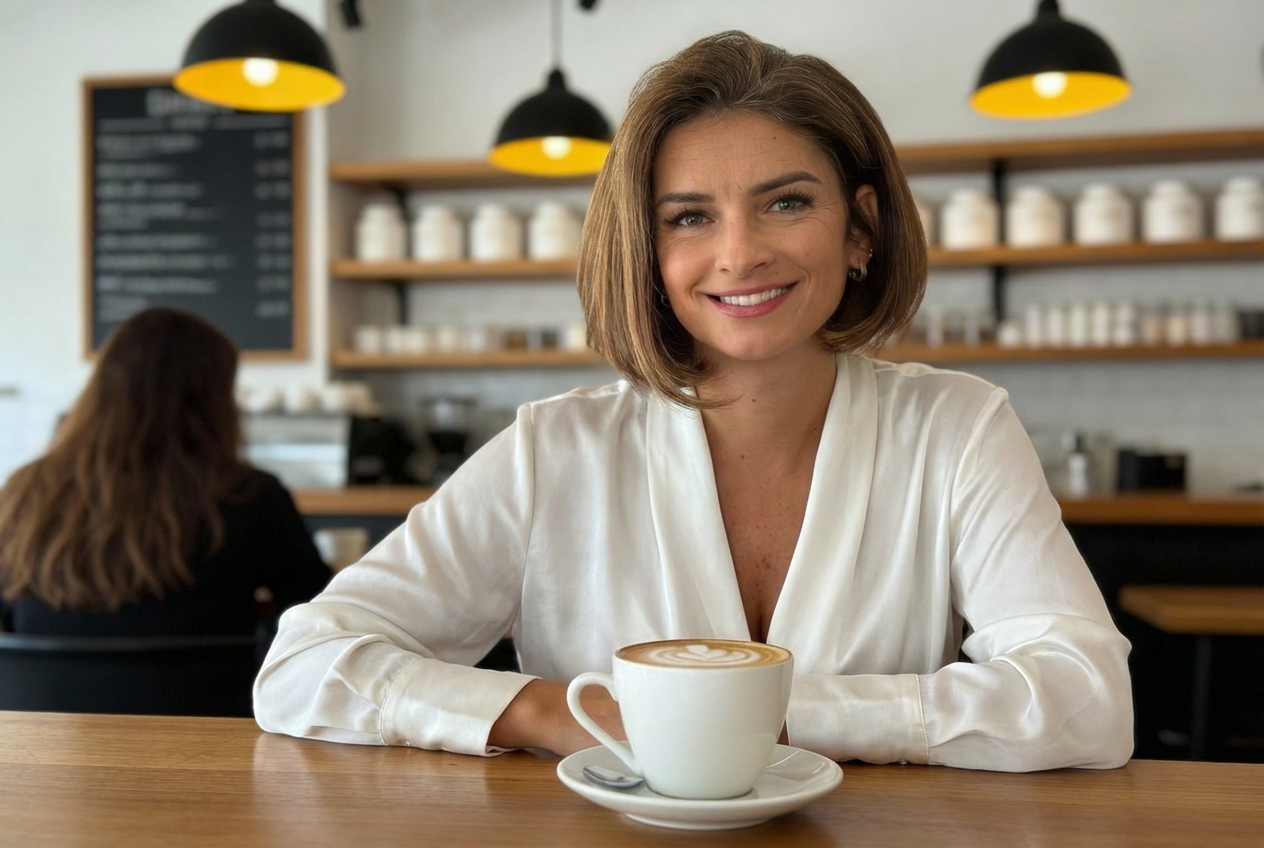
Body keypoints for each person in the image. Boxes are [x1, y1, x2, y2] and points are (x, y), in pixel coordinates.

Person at [254, 31, 1133, 772]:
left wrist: (771, 721)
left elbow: (1088, 701)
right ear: (647, 249)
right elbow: (303, 664)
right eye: (688, 217)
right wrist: (553, 713)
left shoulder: (957, 428)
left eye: (785, 202)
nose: (739, 253)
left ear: (860, 227)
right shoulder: (554, 449)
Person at [0, 307, 329, 639]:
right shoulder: (249, 495)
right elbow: (322, 614)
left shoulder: (26, 492)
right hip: (208, 691)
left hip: (40, 692)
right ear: (212, 402)